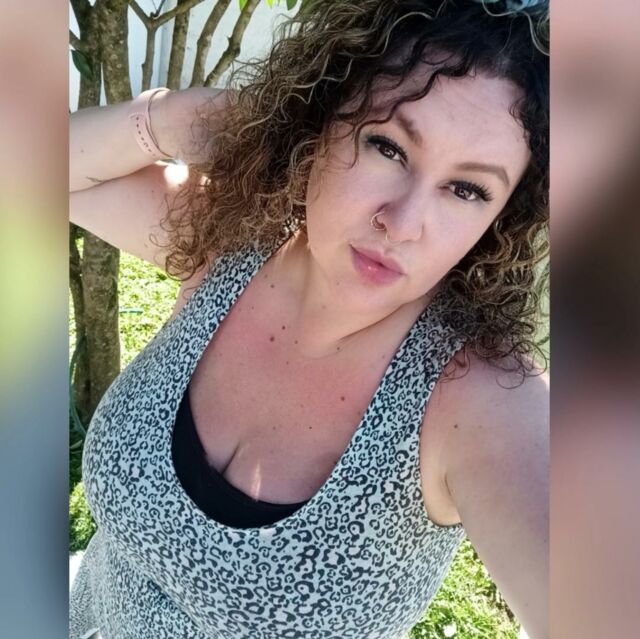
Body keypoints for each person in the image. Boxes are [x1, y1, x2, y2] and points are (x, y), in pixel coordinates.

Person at [69, 1, 549, 637]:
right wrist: (171, 118)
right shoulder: (230, 243)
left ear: (501, 220)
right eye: (387, 146)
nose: (403, 224)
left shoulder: (482, 399)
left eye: (468, 190)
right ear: (320, 119)